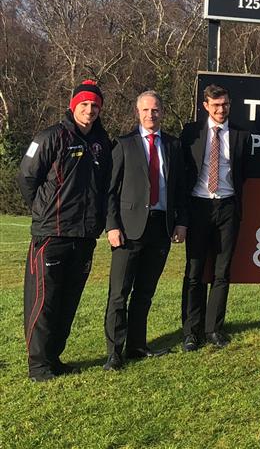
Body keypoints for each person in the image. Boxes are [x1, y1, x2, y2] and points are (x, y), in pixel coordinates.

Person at [17, 80, 112, 382]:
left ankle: (54, 357)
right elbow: (26, 177)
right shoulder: (51, 137)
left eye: (94, 105)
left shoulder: (102, 143)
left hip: (84, 237)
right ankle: (38, 365)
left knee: (69, 301)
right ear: (73, 106)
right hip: (52, 235)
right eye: (84, 104)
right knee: (44, 300)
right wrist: (44, 211)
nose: (89, 110)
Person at [103, 91, 189, 370]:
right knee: (119, 293)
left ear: (162, 112)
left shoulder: (174, 146)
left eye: (155, 110)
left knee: (144, 293)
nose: (150, 115)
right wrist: (112, 225)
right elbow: (110, 190)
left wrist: (181, 221)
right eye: (145, 110)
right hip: (128, 229)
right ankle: (114, 352)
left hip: (161, 227)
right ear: (137, 112)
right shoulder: (124, 144)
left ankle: (137, 346)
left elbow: (181, 190)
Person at [180, 84, 250, 351]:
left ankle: (214, 329)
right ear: (206, 106)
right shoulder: (192, 133)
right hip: (198, 207)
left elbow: (244, 172)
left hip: (228, 208)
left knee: (222, 273)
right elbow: (183, 172)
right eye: (216, 105)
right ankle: (190, 331)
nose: (222, 110)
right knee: (194, 272)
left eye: (226, 105)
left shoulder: (241, 135)